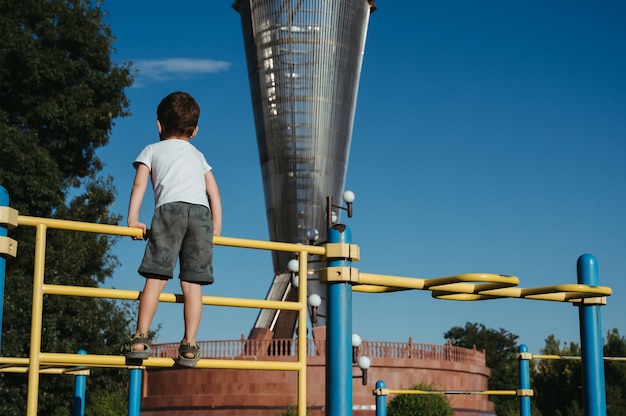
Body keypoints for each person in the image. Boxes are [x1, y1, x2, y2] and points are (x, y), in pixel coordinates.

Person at [121, 91, 222, 367]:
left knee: (156, 278)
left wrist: (133, 219)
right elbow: (213, 191)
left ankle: (141, 338)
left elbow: (139, 184)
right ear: (195, 130)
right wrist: (216, 228)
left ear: (159, 125)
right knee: (192, 284)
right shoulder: (198, 155)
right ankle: (189, 345)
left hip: (170, 210)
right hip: (201, 216)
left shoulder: (151, 150)